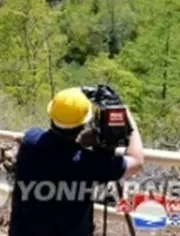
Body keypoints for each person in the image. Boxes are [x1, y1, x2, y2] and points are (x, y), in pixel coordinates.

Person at [8, 87, 145, 236]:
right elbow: (137, 162)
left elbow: (57, 147)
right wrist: (125, 115)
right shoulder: (89, 164)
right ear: (84, 123)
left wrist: (81, 142)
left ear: (52, 115)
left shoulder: (30, 141)